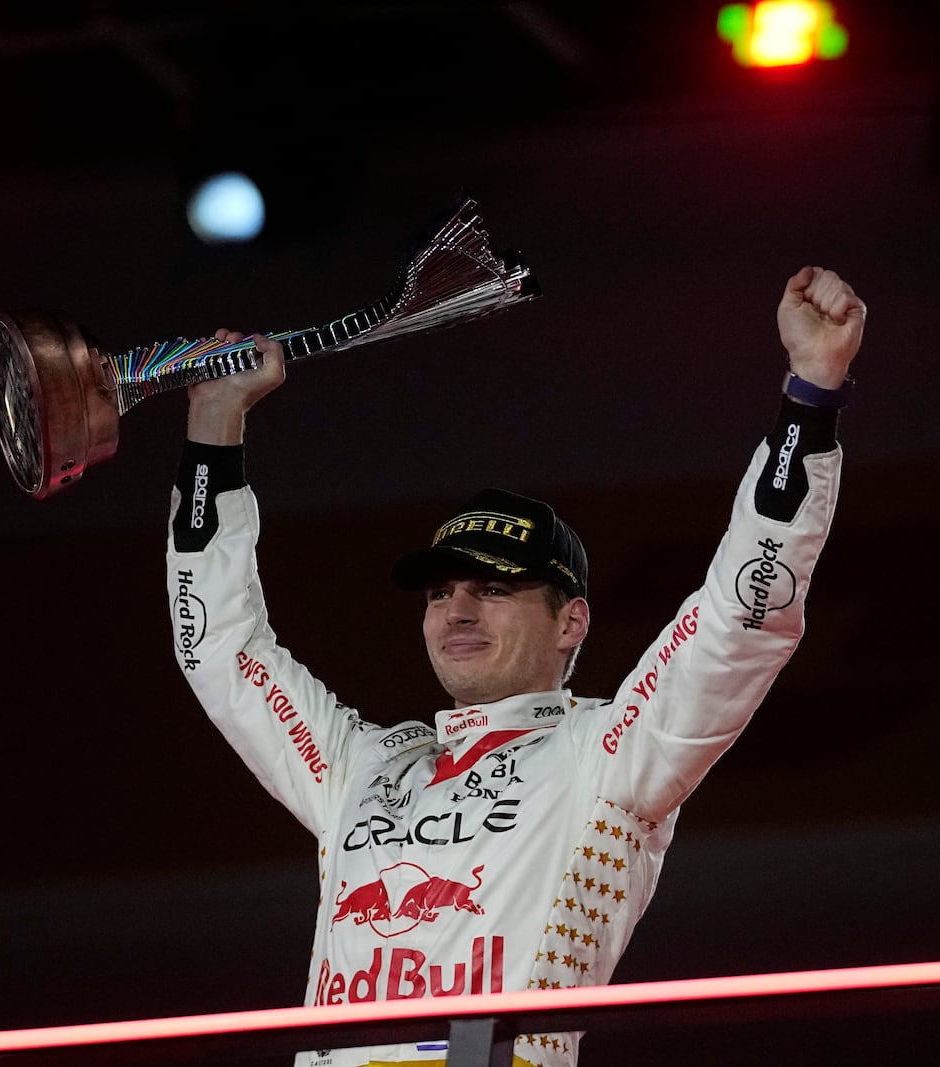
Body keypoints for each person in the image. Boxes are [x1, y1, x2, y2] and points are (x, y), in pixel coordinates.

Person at [167, 266, 866, 1067]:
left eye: (493, 590)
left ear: (572, 620)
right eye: (440, 591)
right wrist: (212, 431)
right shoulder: (357, 765)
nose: (457, 612)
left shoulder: (605, 756)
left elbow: (740, 619)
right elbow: (217, 645)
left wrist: (811, 396)